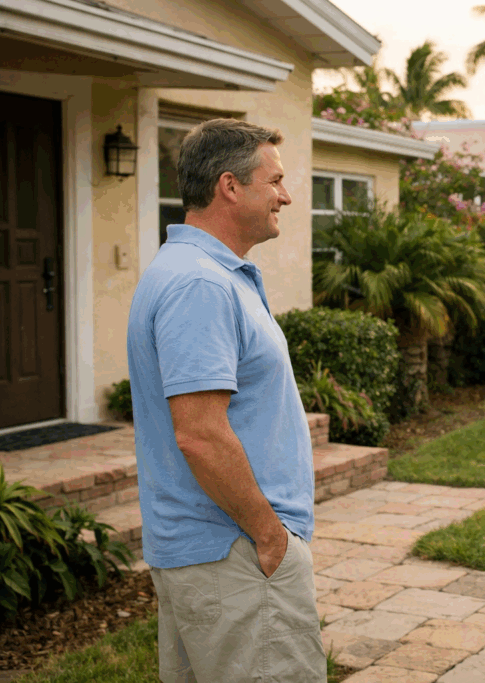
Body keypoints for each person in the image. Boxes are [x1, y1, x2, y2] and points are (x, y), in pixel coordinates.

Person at [127, 119, 326, 683]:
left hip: (219, 555)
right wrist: (270, 536)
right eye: (275, 181)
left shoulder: (204, 273)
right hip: (236, 555)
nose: (285, 196)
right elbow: (200, 434)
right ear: (230, 187)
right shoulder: (202, 285)